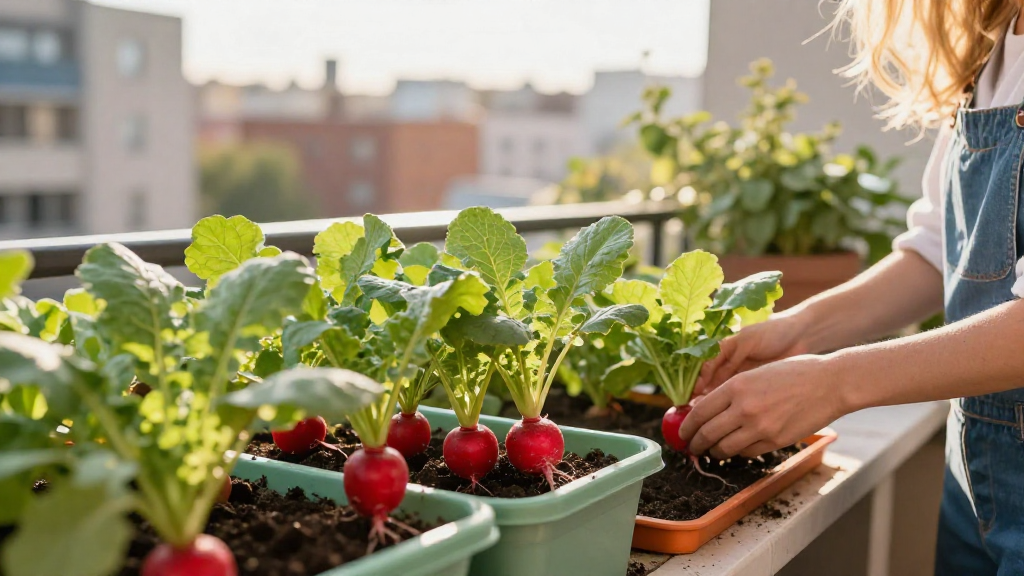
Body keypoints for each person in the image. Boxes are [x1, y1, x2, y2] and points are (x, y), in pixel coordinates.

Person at [677, 2, 1024, 574]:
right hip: (975, 482)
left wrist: (833, 383)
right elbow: (940, 253)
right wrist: (798, 330)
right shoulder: (989, 53)